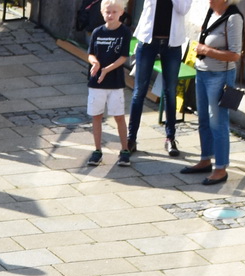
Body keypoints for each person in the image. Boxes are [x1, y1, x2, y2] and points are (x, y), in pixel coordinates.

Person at [126, 0, 194, 159]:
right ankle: (131, 139)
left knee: (170, 92)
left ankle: (170, 138)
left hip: (172, 44)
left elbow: (183, 9)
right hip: (148, 41)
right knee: (139, 92)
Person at [83, 0, 130, 166]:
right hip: (96, 83)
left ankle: (125, 150)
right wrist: (95, 63)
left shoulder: (124, 32)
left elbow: (123, 57)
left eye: (114, 12)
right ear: (102, 13)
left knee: (118, 116)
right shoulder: (97, 32)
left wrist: (106, 69)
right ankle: (97, 150)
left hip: (115, 83)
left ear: (121, 13)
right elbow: (90, 54)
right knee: (96, 116)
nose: (110, 15)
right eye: (107, 12)